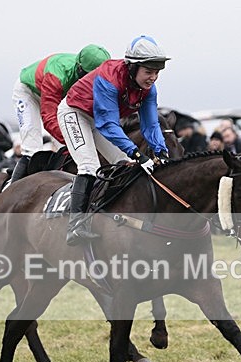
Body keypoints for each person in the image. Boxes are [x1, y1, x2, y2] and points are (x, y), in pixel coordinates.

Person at [57, 35, 171, 245]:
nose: (153, 78)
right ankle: (75, 226)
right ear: (132, 68)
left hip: (99, 118)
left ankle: (109, 213)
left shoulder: (148, 89)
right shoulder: (110, 78)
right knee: (89, 165)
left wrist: (161, 151)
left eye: (157, 72)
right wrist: (138, 154)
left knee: (123, 166)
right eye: (148, 72)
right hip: (75, 113)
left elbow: (151, 124)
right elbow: (108, 124)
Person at [10, 44, 111, 184]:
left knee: (66, 148)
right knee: (32, 149)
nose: (92, 82)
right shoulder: (57, 76)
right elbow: (49, 118)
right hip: (29, 93)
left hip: (58, 96)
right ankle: (10, 189)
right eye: (89, 76)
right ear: (79, 68)